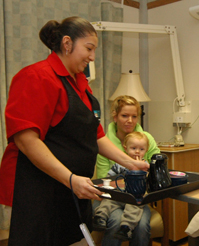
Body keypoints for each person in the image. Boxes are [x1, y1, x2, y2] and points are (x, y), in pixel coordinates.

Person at [0, 16, 149, 246]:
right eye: (89, 48)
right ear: (67, 44)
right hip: (36, 190)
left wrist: (130, 163)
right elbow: (26, 140)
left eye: (94, 50)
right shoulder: (36, 77)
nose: (92, 57)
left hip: (70, 189)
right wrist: (69, 179)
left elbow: (95, 135)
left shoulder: (80, 85)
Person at [94, 95, 160, 246]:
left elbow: (156, 169)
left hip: (137, 200)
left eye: (134, 116)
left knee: (142, 225)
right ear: (115, 116)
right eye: (124, 115)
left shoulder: (146, 139)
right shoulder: (104, 142)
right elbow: (105, 178)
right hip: (111, 197)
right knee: (116, 221)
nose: (130, 120)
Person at [94, 131, 149, 241]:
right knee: (108, 201)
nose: (137, 151)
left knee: (134, 207)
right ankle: (100, 217)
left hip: (133, 198)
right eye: (133, 148)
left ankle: (126, 228)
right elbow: (109, 179)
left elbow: (149, 185)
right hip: (119, 196)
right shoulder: (119, 165)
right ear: (126, 148)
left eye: (141, 149)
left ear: (146, 150)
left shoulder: (145, 166)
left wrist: (145, 173)